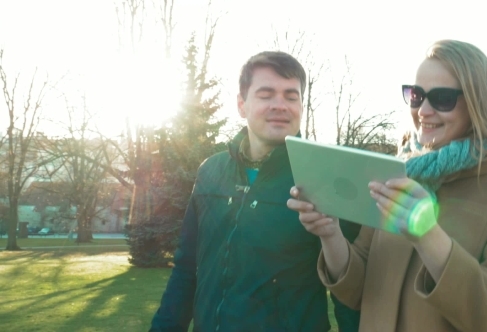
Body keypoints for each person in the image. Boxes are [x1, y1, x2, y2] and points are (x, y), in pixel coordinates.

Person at [287, 40, 487, 332]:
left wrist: (428, 236)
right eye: (416, 95)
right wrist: (330, 233)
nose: (423, 111)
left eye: (442, 98)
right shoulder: (399, 171)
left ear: (478, 102)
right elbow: (359, 291)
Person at [150, 51, 360, 332]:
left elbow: (349, 291)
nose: (280, 105)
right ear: (241, 104)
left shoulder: (325, 178)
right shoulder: (211, 172)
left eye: (291, 96)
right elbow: (186, 271)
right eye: (266, 94)